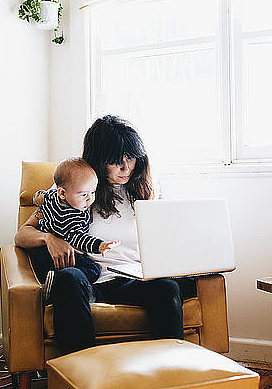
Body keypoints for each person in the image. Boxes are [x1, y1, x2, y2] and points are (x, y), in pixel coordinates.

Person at [14, 115, 192, 353]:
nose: (126, 167)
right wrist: (48, 238)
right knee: (68, 278)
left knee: (168, 288)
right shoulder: (73, 191)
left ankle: (170, 373)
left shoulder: (145, 192)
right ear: (99, 160)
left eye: (131, 158)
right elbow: (22, 235)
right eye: (116, 161)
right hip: (90, 282)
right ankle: (81, 372)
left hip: (131, 281)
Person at [32, 157, 120, 302]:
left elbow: (40, 197)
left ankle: (52, 279)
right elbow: (78, 238)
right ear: (62, 193)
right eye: (84, 194)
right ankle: (55, 283)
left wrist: (38, 198)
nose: (89, 200)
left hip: (41, 256)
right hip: (61, 256)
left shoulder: (53, 197)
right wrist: (99, 245)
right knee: (93, 269)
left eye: (93, 193)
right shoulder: (74, 216)